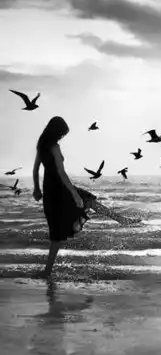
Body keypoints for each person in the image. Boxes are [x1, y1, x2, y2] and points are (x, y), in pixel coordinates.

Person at [32, 116, 87, 277]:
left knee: (55, 234)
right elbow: (61, 173)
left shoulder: (41, 146)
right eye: (62, 134)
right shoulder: (54, 147)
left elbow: (35, 170)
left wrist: (37, 189)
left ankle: (47, 271)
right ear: (56, 131)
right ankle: (120, 219)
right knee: (88, 200)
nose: (62, 137)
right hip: (60, 188)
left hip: (49, 190)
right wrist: (74, 194)